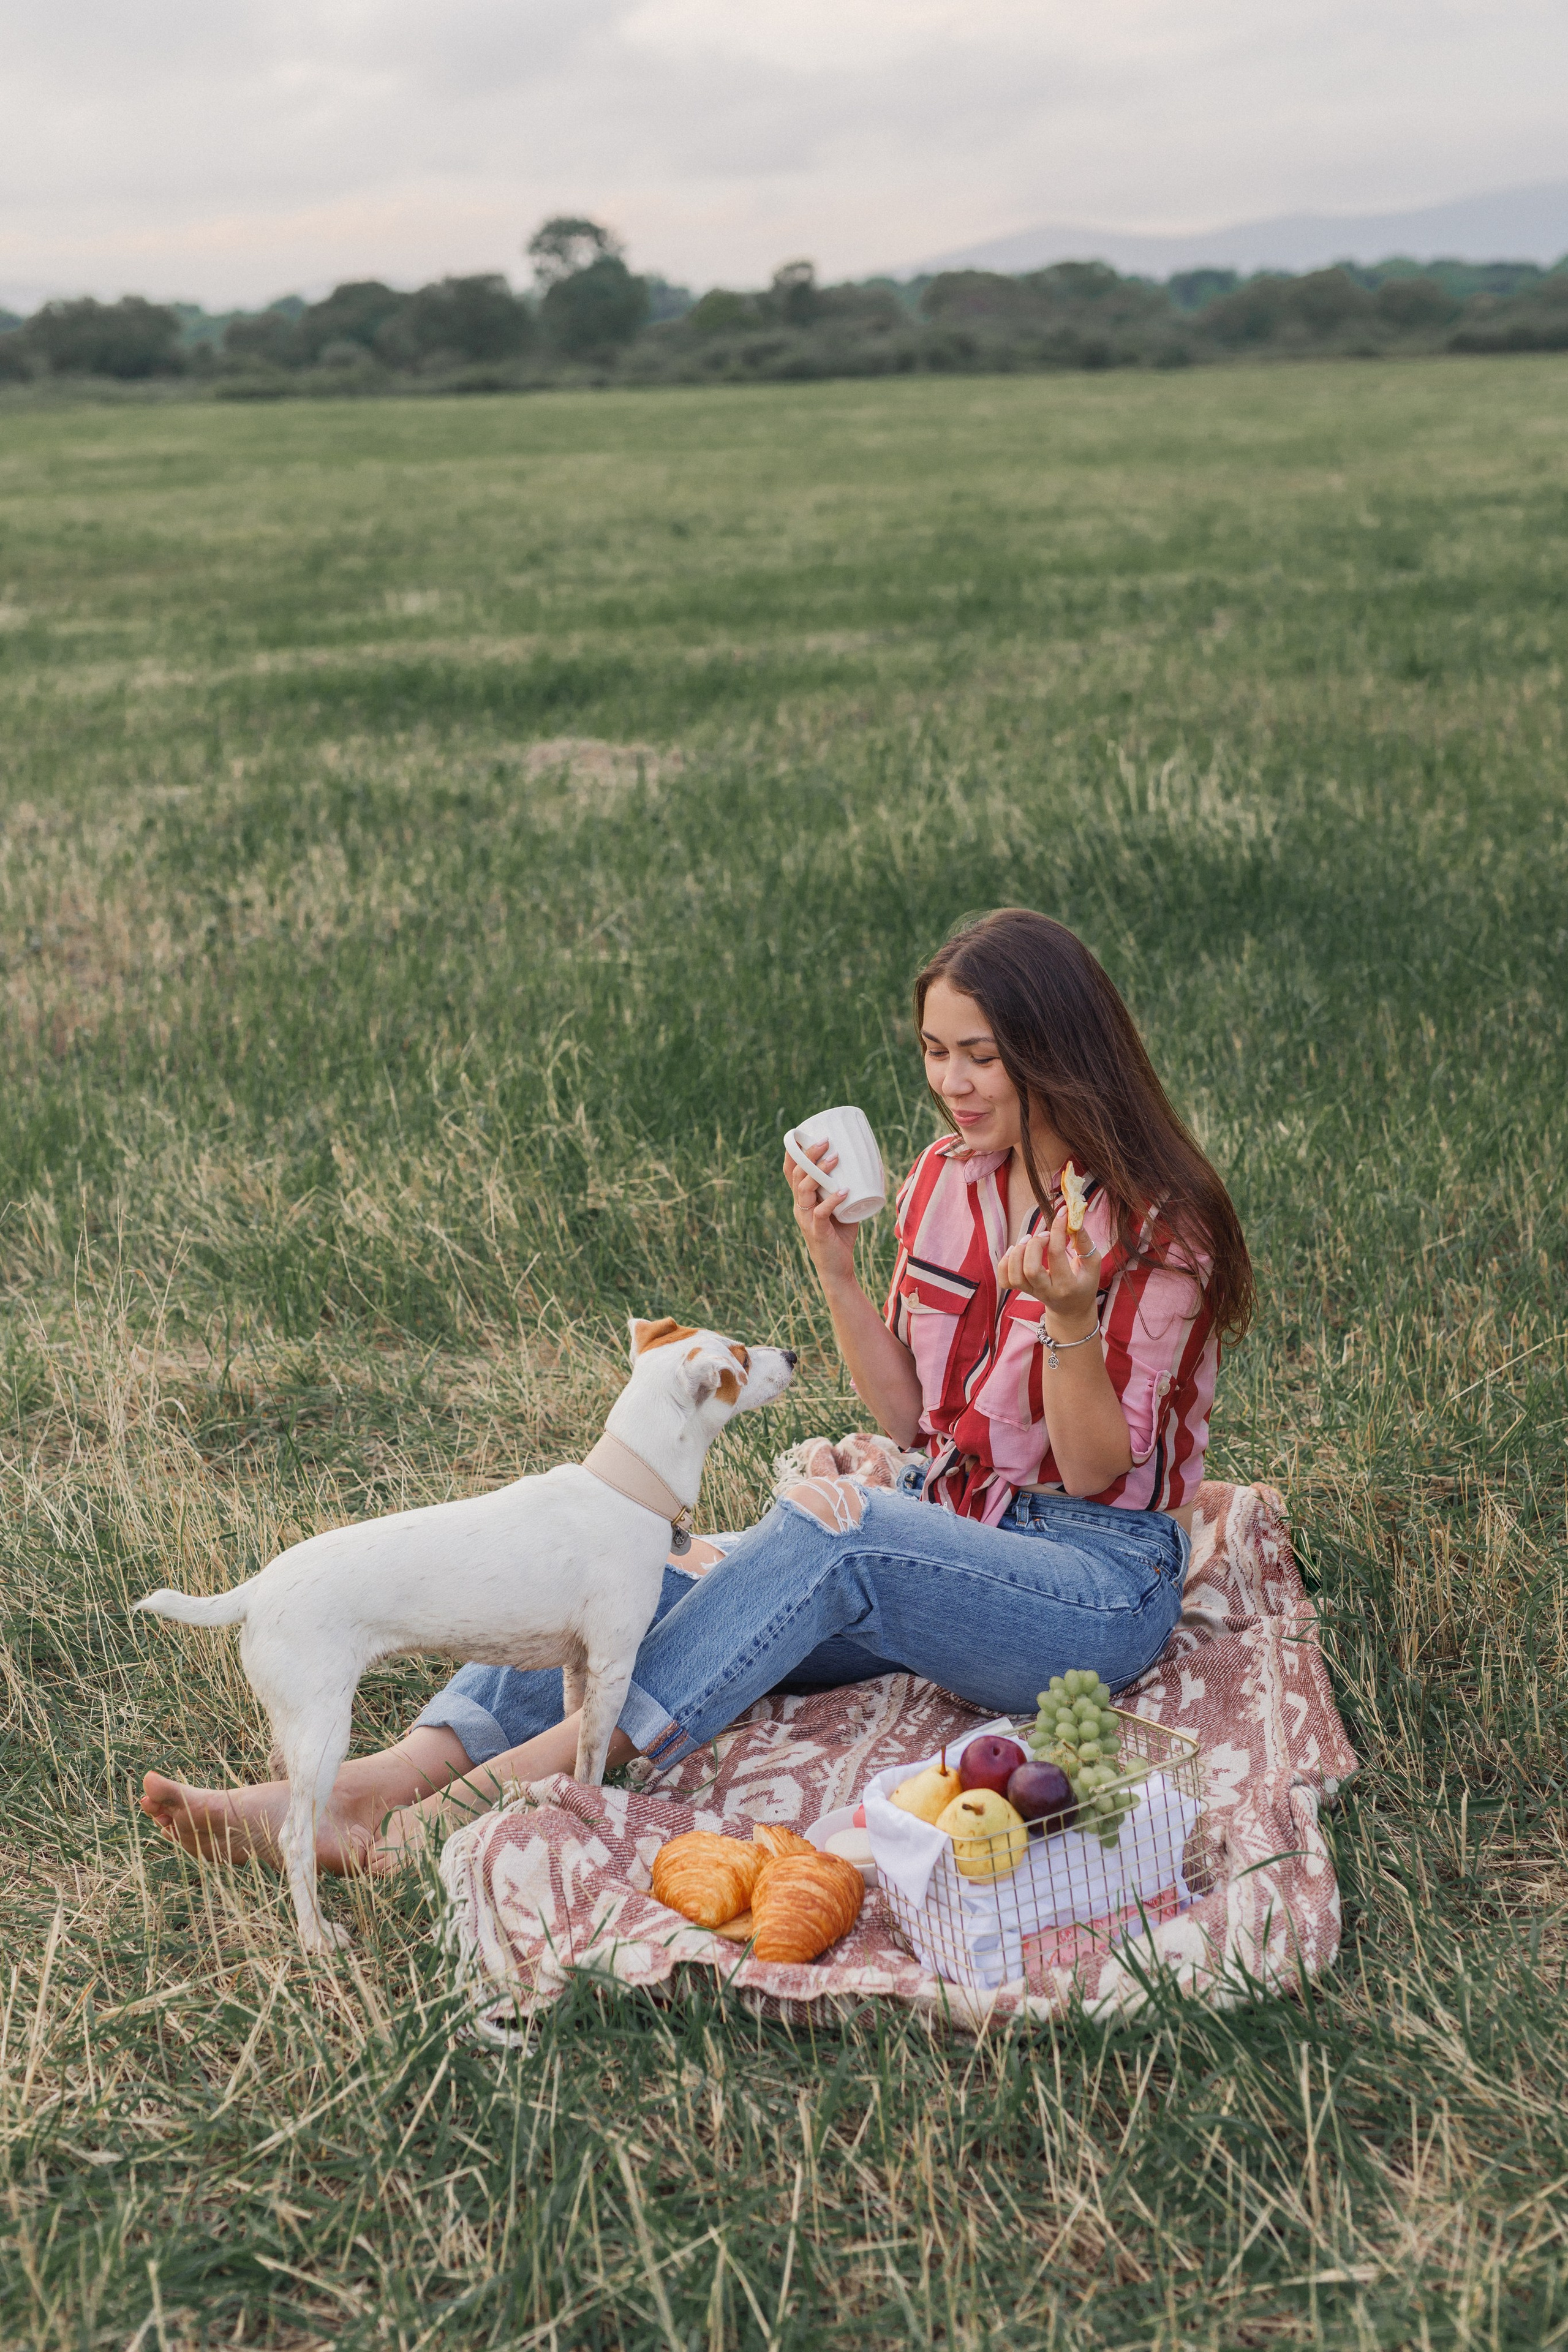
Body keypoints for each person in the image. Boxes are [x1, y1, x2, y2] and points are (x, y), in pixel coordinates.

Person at [141, 907, 1252, 1880]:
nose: (949, 1084)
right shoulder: (945, 1184)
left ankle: (477, 1808)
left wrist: (1069, 1319)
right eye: (933, 1053)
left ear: (1054, 1054)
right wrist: (834, 1267)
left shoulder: (1162, 1226)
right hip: (945, 1531)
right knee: (629, 1568)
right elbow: (914, 1422)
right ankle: (368, 1788)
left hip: (1089, 1586)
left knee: (843, 1531)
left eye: (980, 1058)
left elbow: (1103, 1468)